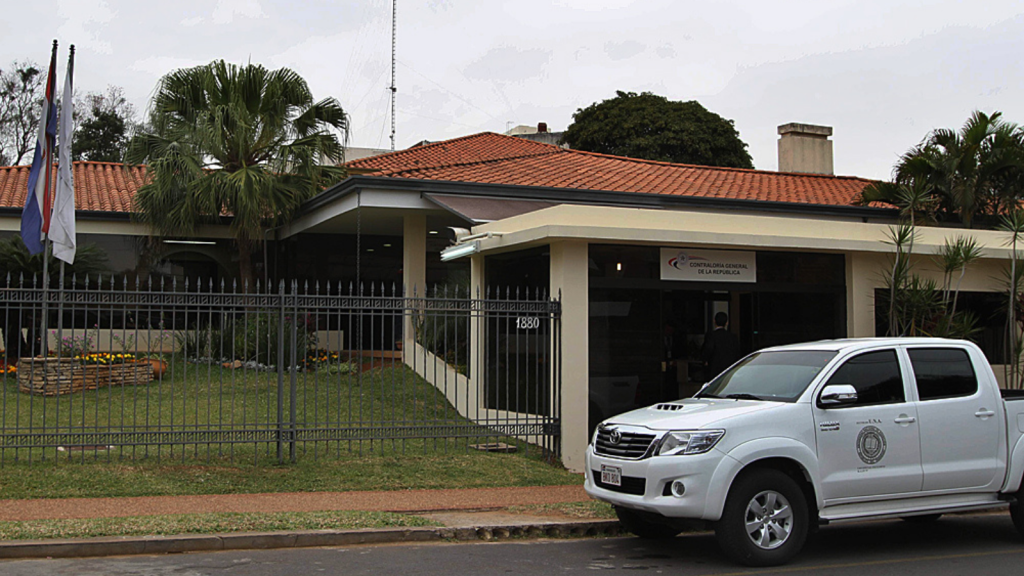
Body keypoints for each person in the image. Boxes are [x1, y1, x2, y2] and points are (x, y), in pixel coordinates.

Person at [702, 311, 741, 381]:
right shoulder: (733, 337)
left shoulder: (711, 336)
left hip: (714, 368)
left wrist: (705, 360)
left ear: (714, 321)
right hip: (729, 369)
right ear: (727, 323)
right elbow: (737, 353)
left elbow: (708, 349)